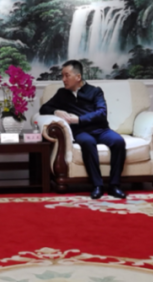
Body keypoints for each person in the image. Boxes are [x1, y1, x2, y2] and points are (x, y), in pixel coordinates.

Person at [39, 60, 127, 200]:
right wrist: (56, 111)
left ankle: (114, 186)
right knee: (87, 142)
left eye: (67, 75)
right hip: (81, 132)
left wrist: (79, 119)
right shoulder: (62, 93)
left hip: (101, 129)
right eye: (62, 76)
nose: (63, 79)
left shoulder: (95, 91)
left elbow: (101, 113)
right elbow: (44, 108)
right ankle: (97, 186)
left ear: (78, 77)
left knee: (118, 141)